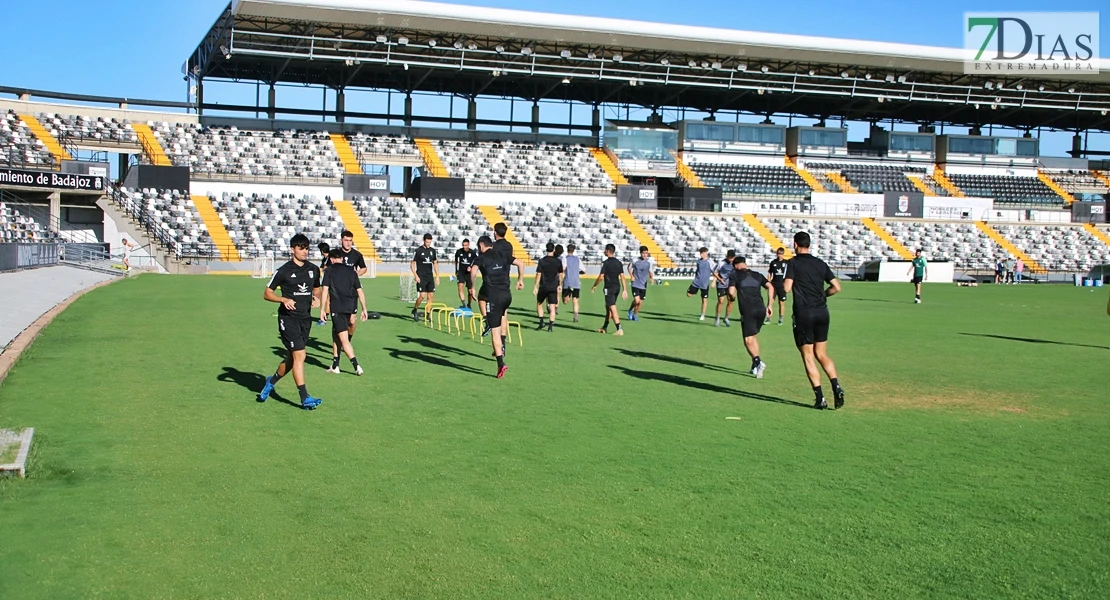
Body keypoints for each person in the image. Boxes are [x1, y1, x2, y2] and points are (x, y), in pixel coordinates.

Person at [258, 233, 323, 410]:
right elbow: (267, 293)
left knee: (292, 359)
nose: (305, 251)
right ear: (292, 249)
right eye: (301, 248)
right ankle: (305, 397)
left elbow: (316, 288)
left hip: (305, 319)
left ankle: (270, 382)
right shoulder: (283, 271)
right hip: (288, 320)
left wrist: (315, 298)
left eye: (307, 248)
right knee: (300, 355)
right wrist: (283, 300)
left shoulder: (313, 269)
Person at [784, 231, 845, 410]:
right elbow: (836, 287)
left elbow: (787, 288)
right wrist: (823, 295)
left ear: (795, 244)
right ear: (809, 244)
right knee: (822, 353)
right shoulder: (820, 263)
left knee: (808, 355)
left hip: (804, 314)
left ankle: (820, 398)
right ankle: (836, 386)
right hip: (822, 313)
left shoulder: (792, 263)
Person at [470, 235, 525, 378]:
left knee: (495, 332)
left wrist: (472, 288)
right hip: (507, 296)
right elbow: (520, 264)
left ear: (481, 245)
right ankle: (499, 346)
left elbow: (473, 271)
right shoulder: (503, 255)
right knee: (500, 320)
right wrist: (520, 280)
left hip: (494, 297)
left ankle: (501, 363)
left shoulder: (480, 258)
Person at [320, 248, 369, 376]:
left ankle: (356, 366)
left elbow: (325, 291)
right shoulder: (352, 271)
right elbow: (359, 291)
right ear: (341, 258)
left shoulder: (329, 271)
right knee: (335, 333)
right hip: (350, 306)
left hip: (337, 307)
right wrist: (364, 309)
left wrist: (322, 310)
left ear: (331, 259)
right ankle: (335, 366)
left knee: (343, 338)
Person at [728, 256, 774, 378]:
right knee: (753, 337)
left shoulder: (734, 275)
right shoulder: (757, 275)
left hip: (748, 311)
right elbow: (770, 287)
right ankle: (754, 367)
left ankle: (758, 361)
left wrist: (731, 298)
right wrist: (770, 305)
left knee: (747, 340)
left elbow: (731, 292)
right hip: (761, 309)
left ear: (736, 265)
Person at [591, 243, 628, 336]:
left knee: (612, 306)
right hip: (617, 287)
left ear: (607, 251)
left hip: (609, 288)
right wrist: (624, 290)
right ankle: (604, 327)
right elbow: (623, 277)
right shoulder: (618, 263)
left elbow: (601, 277)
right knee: (608, 307)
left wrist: (594, 286)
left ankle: (619, 328)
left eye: (605, 250)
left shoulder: (606, 263)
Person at [533, 242, 564, 331]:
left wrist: (535, 286)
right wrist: (560, 285)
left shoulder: (542, 261)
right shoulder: (558, 261)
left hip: (544, 286)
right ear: (554, 250)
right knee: (552, 307)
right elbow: (561, 274)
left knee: (539, 303)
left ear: (546, 249)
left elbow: (538, 274)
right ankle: (550, 326)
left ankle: (542, 321)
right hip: (553, 287)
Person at [410, 233, 440, 321]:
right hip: (421, 276)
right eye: (427, 242)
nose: (428, 244)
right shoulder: (418, 251)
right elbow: (412, 264)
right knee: (422, 295)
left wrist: (437, 276)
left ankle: (428, 315)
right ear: (424, 241)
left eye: (430, 242)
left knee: (430, 296)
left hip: (429, 276)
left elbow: (435, 263)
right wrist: (416, 276)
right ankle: (415, 309)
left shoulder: (433, 251)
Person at [626, 246, 654, 322]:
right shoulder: (635, 260)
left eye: (646, 253)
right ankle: (630, 310)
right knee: (637, 300)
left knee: (640, 303)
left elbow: (650, 271)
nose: (645, 255)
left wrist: (651, 278)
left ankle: (635, 315)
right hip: (635, 283)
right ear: (640, 253)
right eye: (643, 253)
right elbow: (629, 268)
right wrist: (631, 276)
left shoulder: (649, 262)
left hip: (643, 284)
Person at [687, 247, 713, 321]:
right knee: (688, 295)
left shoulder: (710, 262)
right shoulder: (698, 261)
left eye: (703, 253)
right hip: (697, 282)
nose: (701, 254)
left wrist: (714, 281)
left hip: (705, 284)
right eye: (700, 253)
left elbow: (714, 271)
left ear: (705, 253)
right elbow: (698, 271)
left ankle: (703, 315)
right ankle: (695, 291)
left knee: (704, 299)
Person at [562, 243, 584, 322]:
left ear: (567, 250)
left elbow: (563, 268)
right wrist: (577, 273)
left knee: (564, 301)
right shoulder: (578, 259)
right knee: (575, 301)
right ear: (574, 250)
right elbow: (584, 270)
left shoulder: (565, 258)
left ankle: (568, 293)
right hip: (576, 283)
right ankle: (576, 317)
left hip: (567, 282)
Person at [714, 250, 737, 327]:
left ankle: (726, 317)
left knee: (731, 301)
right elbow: (715, 272)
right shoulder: (721, 263)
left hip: (731, 284)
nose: (731, 259)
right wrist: (720, 279)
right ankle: (717, 318)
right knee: (721, 301)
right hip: (721, 283)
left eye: (732, 258)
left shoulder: (735, 263)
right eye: (730, 257)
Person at [454, 238, 478, 308]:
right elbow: (456, 261)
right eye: (463, 245)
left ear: (468, 245)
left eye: (466, 245)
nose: (465, 247)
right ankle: (464, 304)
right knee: (460, 287)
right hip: (461, 273)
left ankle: (469, 304)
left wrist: (471, 267)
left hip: (469, 274)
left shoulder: (473, 253)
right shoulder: (459, 252)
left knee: (470, 291)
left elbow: (476, 262)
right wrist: (456, 270)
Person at [767, 247, 788, 325]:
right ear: (776, 254)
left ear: (783, 254)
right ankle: (768, 318)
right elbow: (770, 272)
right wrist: (768, 281)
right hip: (774, 285)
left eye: (781, 254)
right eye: (778, 254)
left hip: (782, 285)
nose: (780, 255)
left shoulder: (786, 263)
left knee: (781, 302)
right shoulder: (773, 262)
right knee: (770, 302)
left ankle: (780, 318)